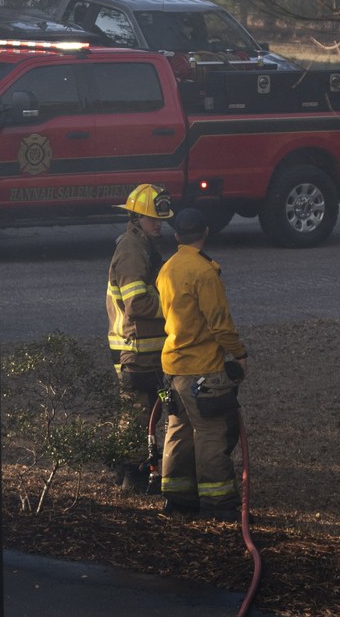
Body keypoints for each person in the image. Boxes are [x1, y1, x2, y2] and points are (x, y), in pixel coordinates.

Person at [156, 206, 249, 519]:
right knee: (211, 433)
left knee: (178, 431)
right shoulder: (204, 272)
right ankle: (218, 504)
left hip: (173, 368)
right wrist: (239, 354)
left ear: (177, 235)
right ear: (206, 232)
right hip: (202, 369)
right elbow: (220, 322)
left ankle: (178, 499)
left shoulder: (167, 269)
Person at [107, 183, 172, 487]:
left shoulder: (144, 245)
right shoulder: (132, 251)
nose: (158, 223)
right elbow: (136, 303)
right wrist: (174, 304)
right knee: (137, 418)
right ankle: (130, 478)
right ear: (134, 217)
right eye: (151, 218)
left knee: (145, 415)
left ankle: (130, 471)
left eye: (160, 219)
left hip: (145, 350)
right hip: (135, 351)